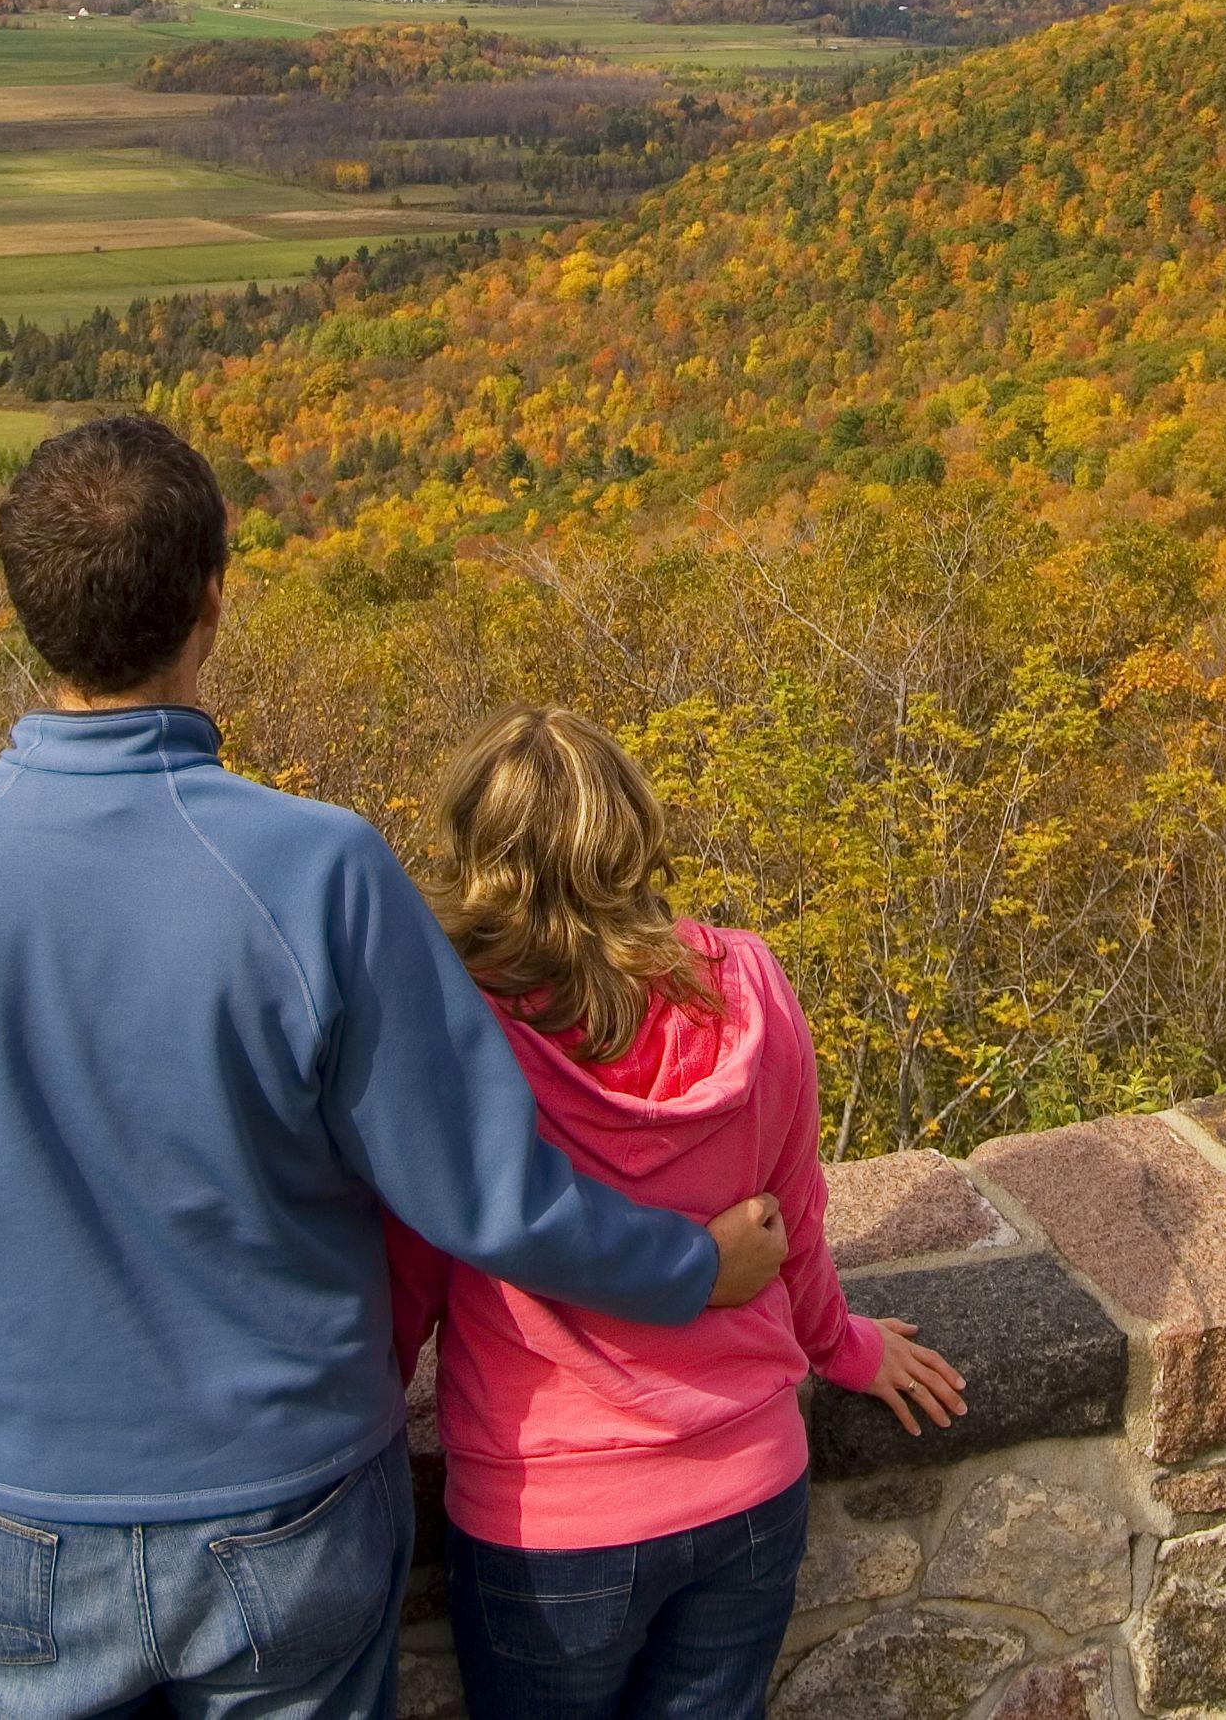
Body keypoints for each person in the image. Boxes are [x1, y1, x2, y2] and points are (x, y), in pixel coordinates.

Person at [0, 414, 794, 1720]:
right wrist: (693, 1267)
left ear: (21, 603)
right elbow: (484, 1195)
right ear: (216, 596)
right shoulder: (317, 870)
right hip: (287, 1506)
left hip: (16, 1506)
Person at [389, 708, 967, 1720]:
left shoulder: (458, 1031)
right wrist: (846, 1350)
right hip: (748, 1482)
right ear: (633, 838)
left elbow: (413, 1270)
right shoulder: (748, 984)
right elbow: (793, 1217)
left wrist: (356, 1430)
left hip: (547, 1519)